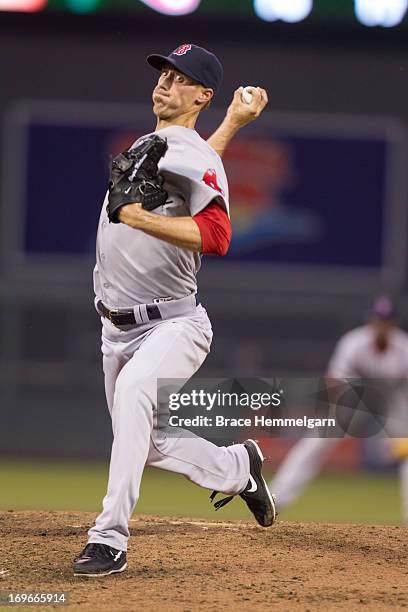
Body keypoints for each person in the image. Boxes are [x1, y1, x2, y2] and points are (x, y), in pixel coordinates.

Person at [73, 43, 276, 577]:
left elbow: (217, 235)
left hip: (173, 322)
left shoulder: (185, 150)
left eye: (179, 76)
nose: (164, 82)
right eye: (163, 72)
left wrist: (137, 218)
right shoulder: (161, 143)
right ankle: (238, 469)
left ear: (201, 94)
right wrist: (231, 122)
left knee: (138, 398)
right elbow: (196, 161)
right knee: (149, 440)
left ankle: (109, 538)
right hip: (114, 329)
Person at [269, 295, 408, 521]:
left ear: (394, 324)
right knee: (317, 439)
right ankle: (276, 499)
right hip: (356, 398)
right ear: (371, 321)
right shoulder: (354, 342)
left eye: (386, 321)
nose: (381, 325)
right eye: (378, 320)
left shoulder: (404, 348)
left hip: (393, 401)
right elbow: (336, 381)